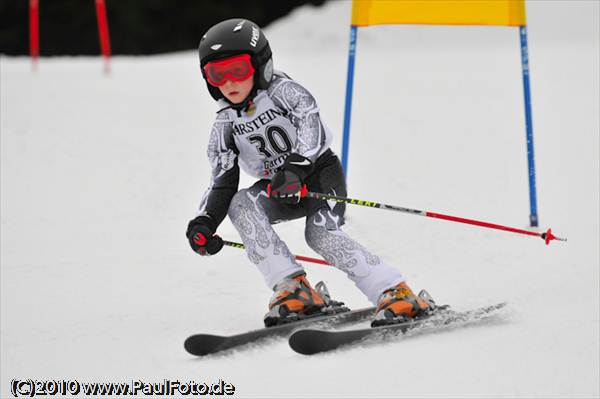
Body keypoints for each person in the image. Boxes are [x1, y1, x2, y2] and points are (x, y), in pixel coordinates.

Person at [186, 18, 432, 327]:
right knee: (239, 204)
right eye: (216, 74)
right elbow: (222, 179)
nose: (229, 82)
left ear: (260, 64)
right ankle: (294, 289)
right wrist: (206, 221)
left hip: (319, 176)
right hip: (280, 187)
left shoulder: (284, 91)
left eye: (237, 69)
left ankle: (395, 291)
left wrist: (296, 167)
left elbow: (310, 125)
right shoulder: (224, 123)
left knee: (319, 235)